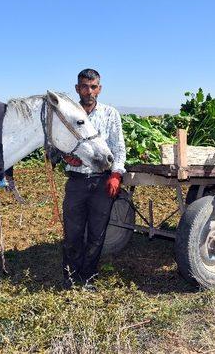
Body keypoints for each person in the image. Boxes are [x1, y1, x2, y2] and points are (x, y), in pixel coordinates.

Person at [61, 68, 126, 290]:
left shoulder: (110, 114)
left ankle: (87, 278)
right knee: (73, 233)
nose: (89, 91)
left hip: (102, 183)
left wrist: (116, 175)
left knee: (97, 234)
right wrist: (65, 156)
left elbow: (119, 148)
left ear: (99, 89)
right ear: (77, 88)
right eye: (84, 87)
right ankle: (70, 277)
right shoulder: (69, 115)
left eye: (93, 87)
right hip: (76, 182)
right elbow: (58, 145)